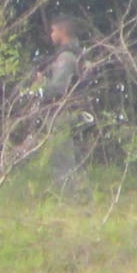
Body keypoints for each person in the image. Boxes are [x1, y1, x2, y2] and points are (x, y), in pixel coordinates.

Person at [34, 16, 88, 197]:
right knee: (68, 156)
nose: (51, 34)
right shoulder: (75, 53)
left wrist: (42, 83)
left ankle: (68, 196)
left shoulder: (66, 57)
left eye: (53, 30)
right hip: (69, 110)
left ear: (63, 32)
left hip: (61, 111)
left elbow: (57, 88)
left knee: (61, 157)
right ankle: (79, 194)